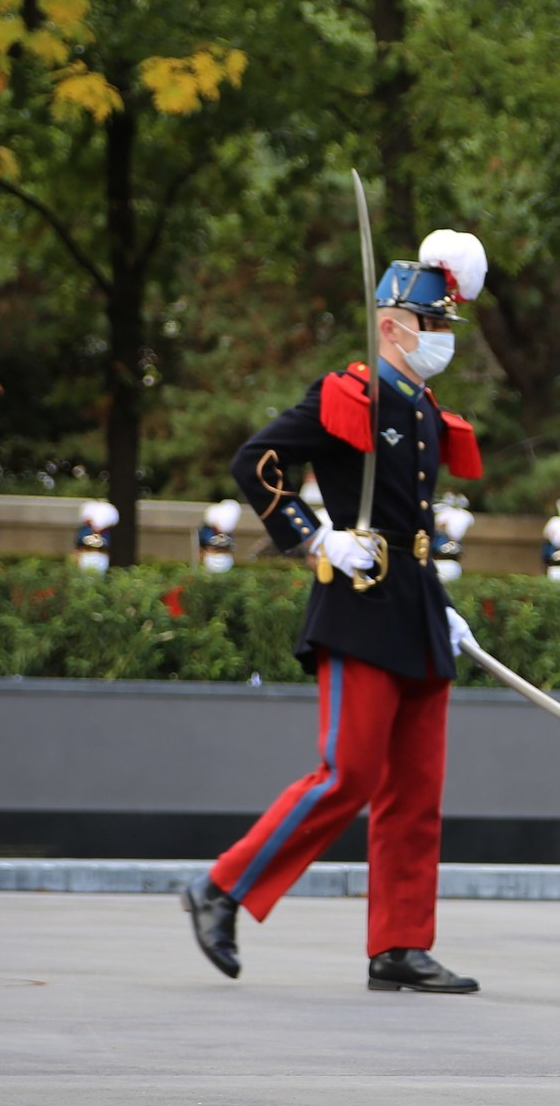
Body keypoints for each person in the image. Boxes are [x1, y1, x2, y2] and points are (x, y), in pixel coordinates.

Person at [183, 228, 491, 994]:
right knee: (346, 774)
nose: (442, 336)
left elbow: (414, 523)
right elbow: (254, 461)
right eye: (432, 323)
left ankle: (399, 945)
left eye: (446, 323)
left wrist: (442, 605)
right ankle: (221, 886)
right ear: (391, 325)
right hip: (359, 604)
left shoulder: (423, 410)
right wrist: (316, 536)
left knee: (416, 790)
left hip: (416, 610)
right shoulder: (346, 395)